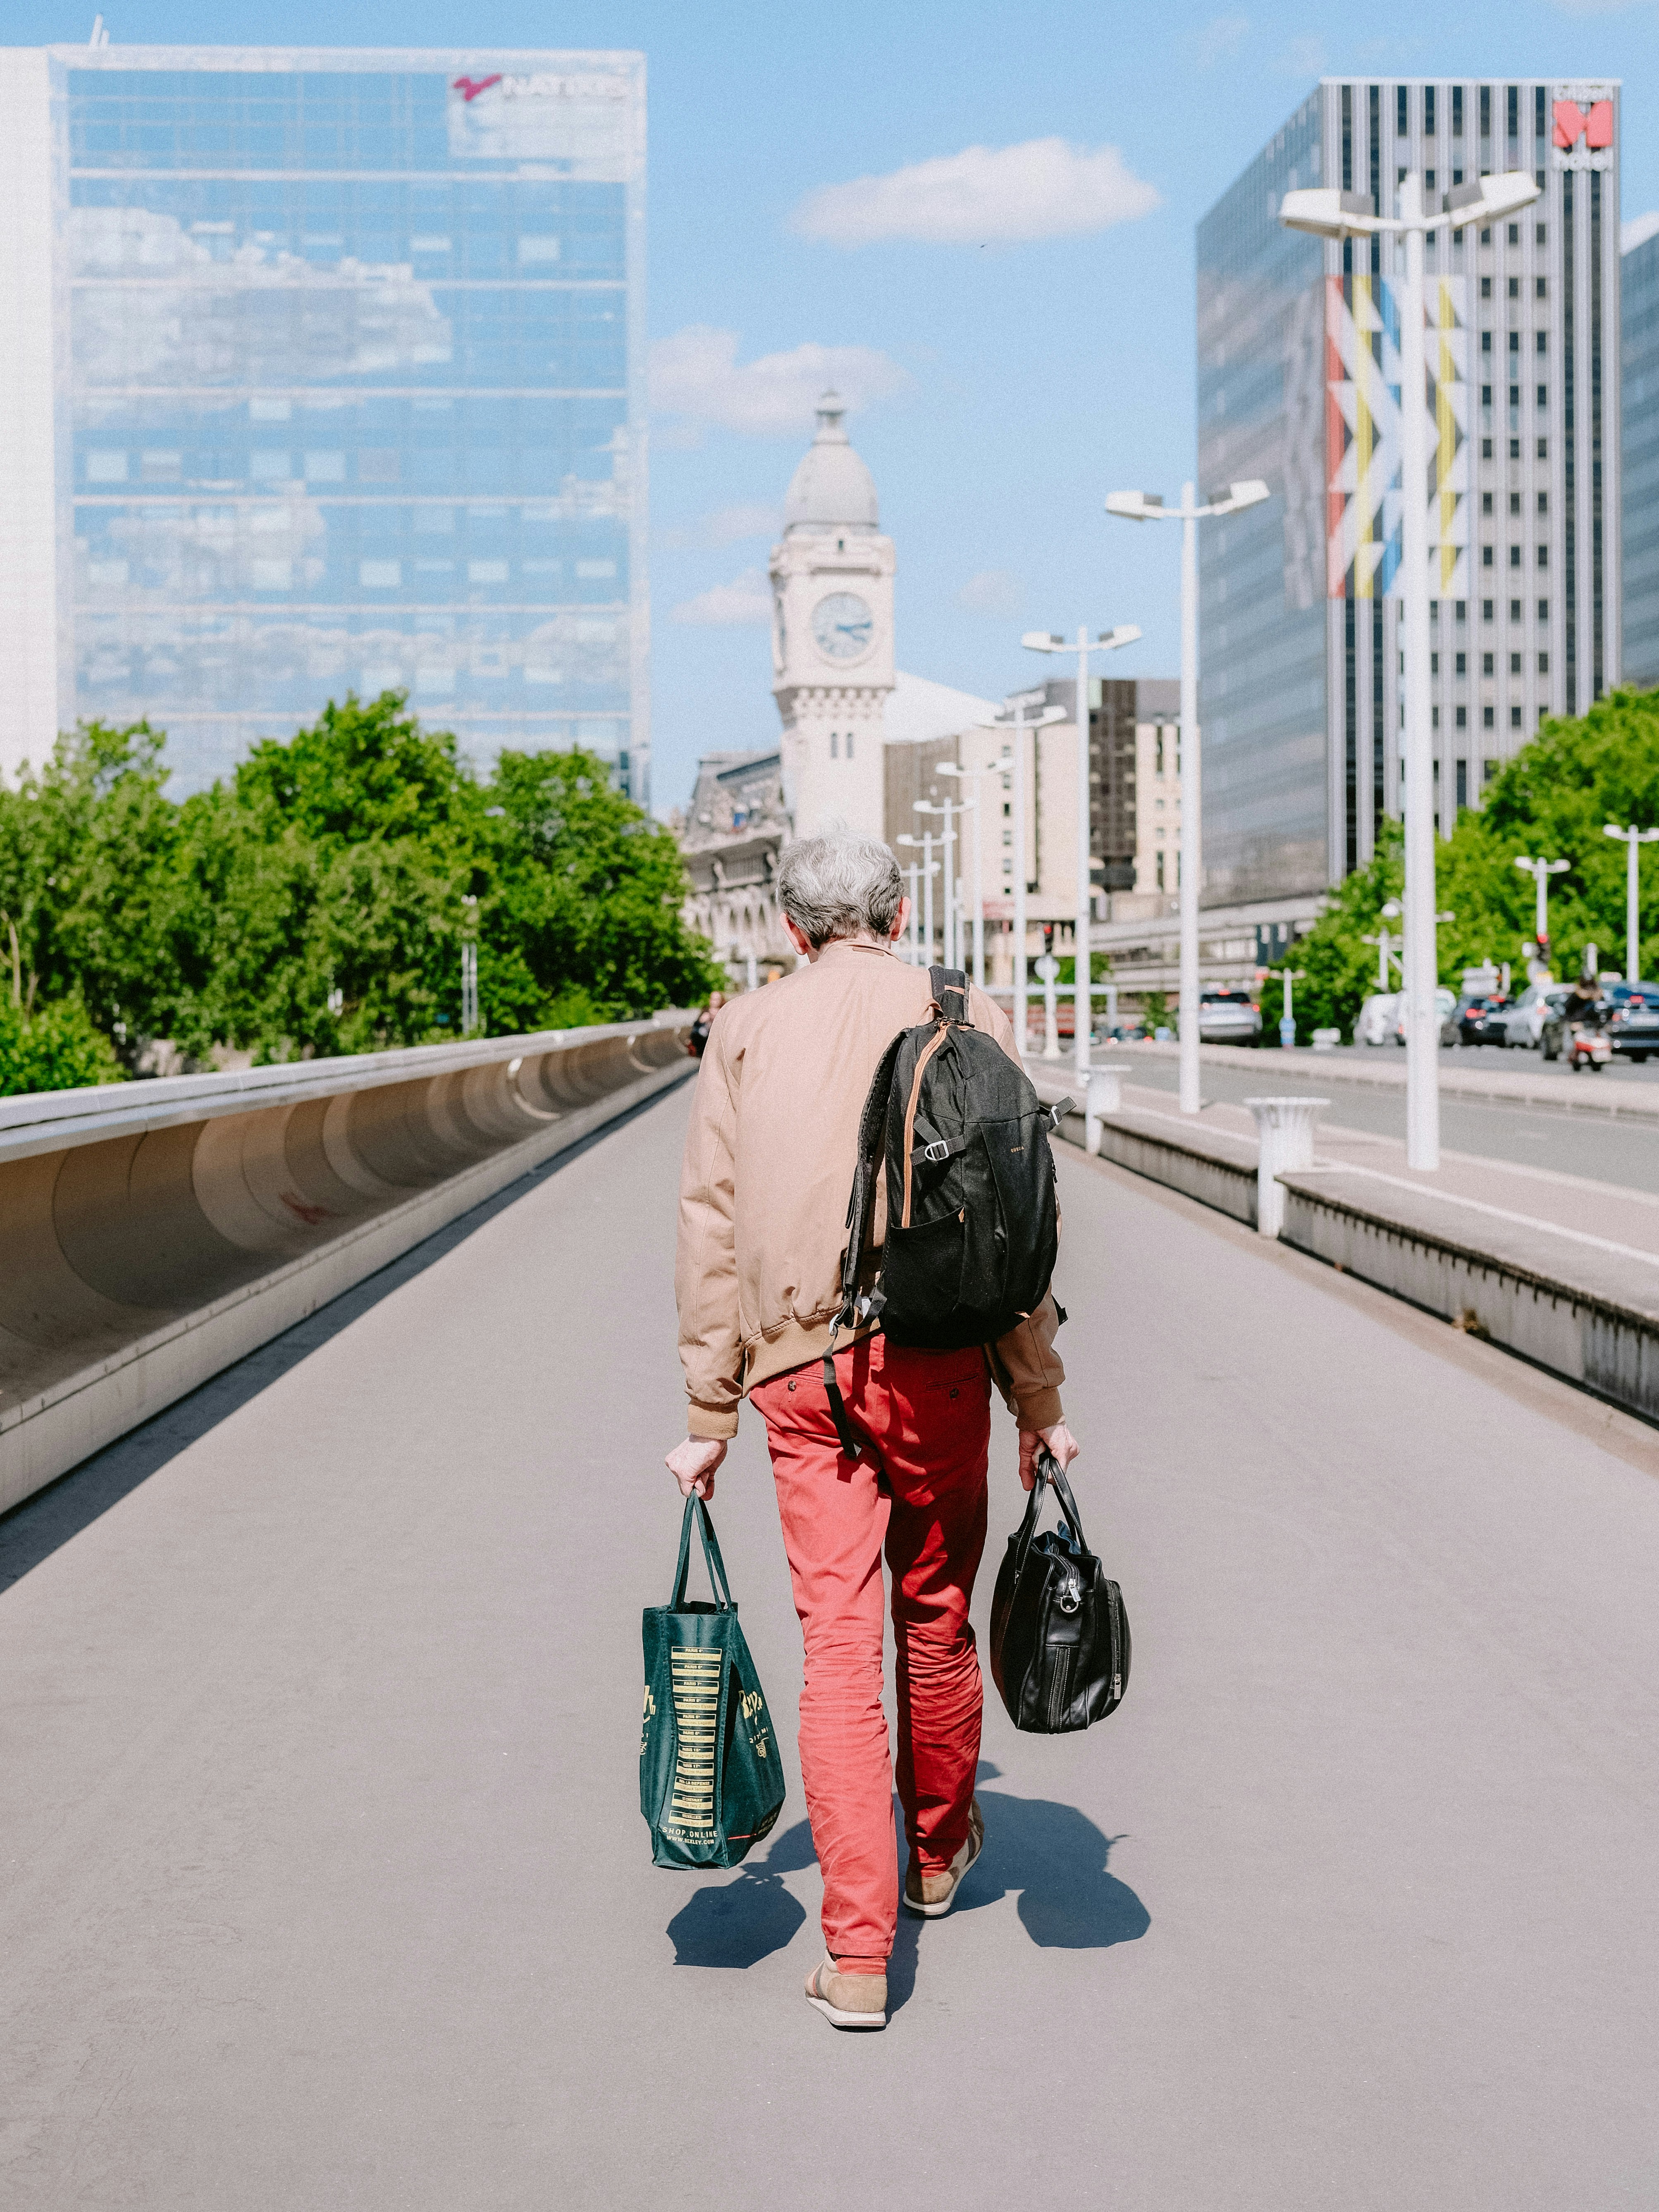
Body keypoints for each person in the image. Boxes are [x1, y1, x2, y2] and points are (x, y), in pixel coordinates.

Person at [667, 831, 1077, 2031]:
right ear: (897, 916)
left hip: (797, 1377)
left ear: (791, 928)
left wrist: (707, 1414)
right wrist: (1038, 1402)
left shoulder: (740, 1030)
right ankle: (939, 1851)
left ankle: (855, 1956)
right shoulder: (964, 1007)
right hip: (936, 1364)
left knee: (837, 1646)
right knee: (935, 1608)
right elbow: (1014, 1222)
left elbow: (710, 1223)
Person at [686, 989, 726, 1059]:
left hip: (719, 1046)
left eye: (717, 999)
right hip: (704, 1046)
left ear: (721, 1000)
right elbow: (695, 1027)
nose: (714, 1002)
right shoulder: (705, 1010)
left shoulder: (724, 1011)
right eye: (713, 999)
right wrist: (701, 1021)